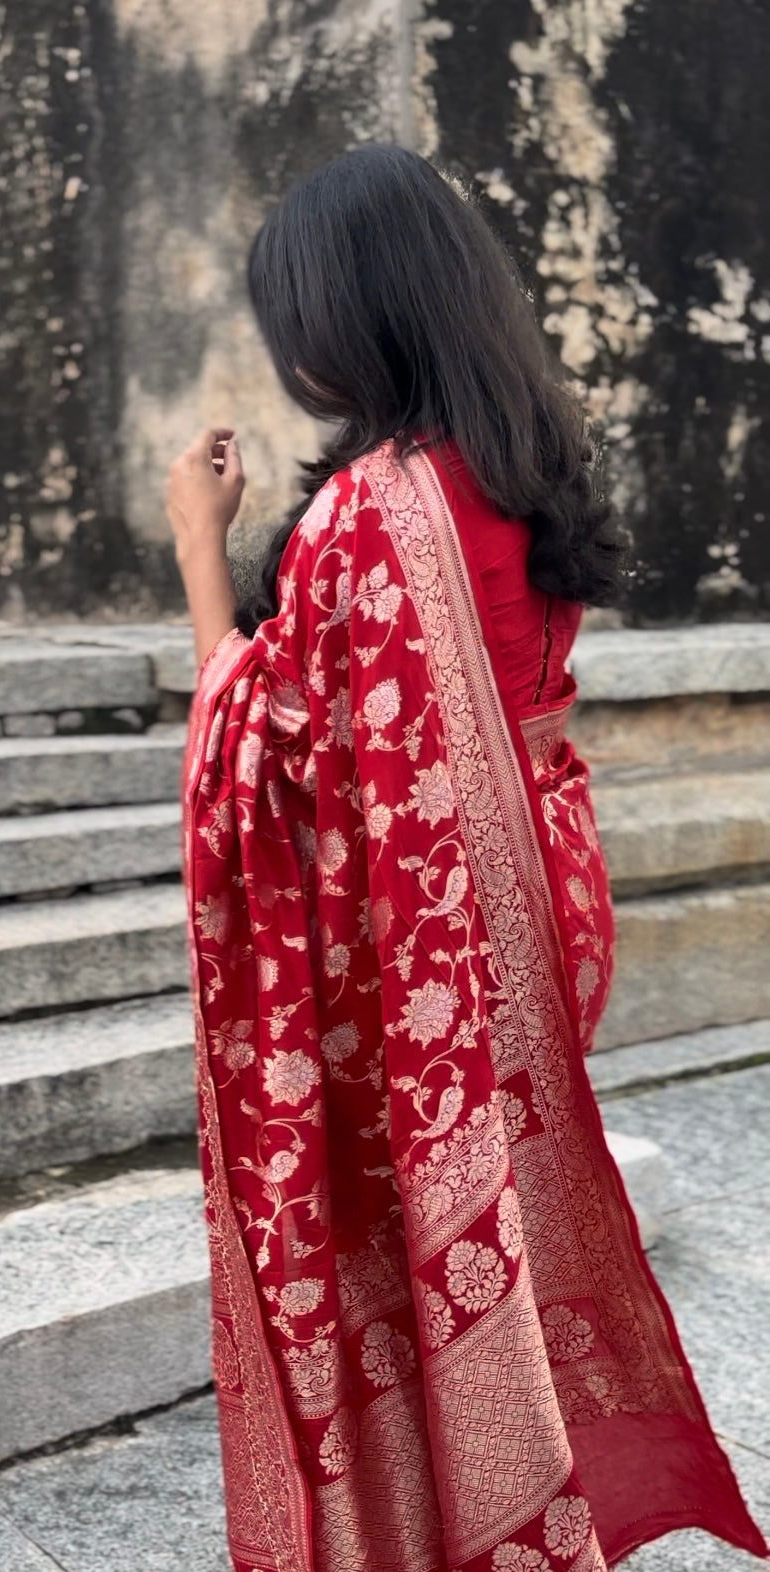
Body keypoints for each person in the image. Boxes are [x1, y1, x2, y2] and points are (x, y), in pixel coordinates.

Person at [166, 145, 766, 1572]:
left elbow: (269, 756)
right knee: (489, 1239)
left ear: (346, 315)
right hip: (544, 893)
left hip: (423, 943)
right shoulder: (524, 462)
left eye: (295, 316)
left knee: (414, 1248)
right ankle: (512, 1504)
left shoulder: (377, 507)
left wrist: (200, 550)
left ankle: (462, 1532)